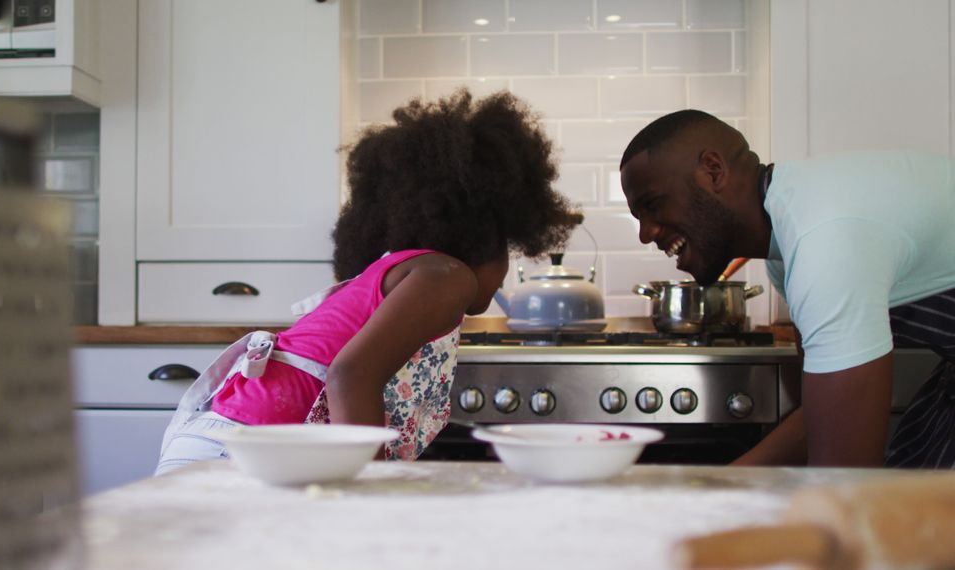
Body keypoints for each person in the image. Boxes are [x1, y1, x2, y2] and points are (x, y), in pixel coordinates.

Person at [155, 89, 578, 474]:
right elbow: (352, 374)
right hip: (245, 453)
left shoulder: (404, 272)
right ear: (488, 233)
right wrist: (374, 490)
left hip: (231, 443)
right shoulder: (448, 277)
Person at [618, 109, 955, 468]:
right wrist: (713, 486)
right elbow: (820, 416)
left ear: (713, 171)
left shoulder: (822, 242)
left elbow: (845, 476)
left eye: (652, 205)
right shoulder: (787, 240)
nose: (645, 234)